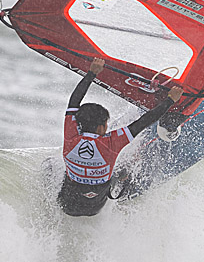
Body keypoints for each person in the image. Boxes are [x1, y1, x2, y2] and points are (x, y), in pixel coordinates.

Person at [59, 57, 182, 216]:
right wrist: (171, 100)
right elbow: (144, 121)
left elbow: (73, 102)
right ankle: (125, 181)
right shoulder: (111, 143)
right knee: (121, 170)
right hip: (96, 207)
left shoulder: (71, 137)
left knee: (68, 175)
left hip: (67, 204)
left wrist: (91, 73)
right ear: (100, 127)